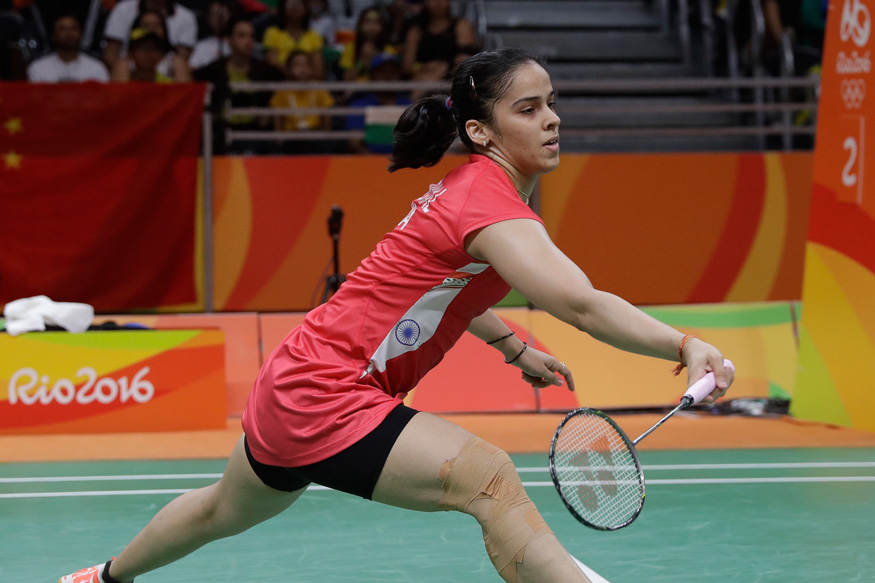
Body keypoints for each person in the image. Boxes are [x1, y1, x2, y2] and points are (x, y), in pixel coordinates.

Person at [59, 48, 734, 583]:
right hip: (329, 391)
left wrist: (512, 347)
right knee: (489, 478)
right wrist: (684, 344)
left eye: (552, 103)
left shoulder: (472, 191)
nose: (551, 119)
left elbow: (435, 287)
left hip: (297, 375)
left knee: (220, 509)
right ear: (480, 131)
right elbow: (581, 303)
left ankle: (102, 577)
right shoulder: (487, 204)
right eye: (528, 109)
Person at [194, 17, 285, 154]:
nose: (248, 41)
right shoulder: (216, 68)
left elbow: (284, 84)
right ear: (229, 40)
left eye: (251, 36)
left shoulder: (264, 69)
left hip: (255, 133)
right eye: (242, 36)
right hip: (222, 132)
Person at [102, 0, 197, 72]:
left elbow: (182, 59)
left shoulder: (173, 62)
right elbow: (110, 55)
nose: (151, 29)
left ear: (165, 31)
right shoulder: (123, 8)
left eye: (157, 25)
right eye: (146, 25)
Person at [270, 49, 335, 153]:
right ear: (289, 69)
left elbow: (327, 119)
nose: (302, 69)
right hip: (290, 139)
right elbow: (278, 121)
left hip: (315, 137)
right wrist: (280, 141)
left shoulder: (319, 89)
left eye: (306, 65)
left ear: (312, 68)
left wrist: (325, 138)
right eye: (297, 65)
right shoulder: (282, 90)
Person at [345, 51, 411, 154]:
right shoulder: (359, 106)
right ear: (372, 76)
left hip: (404, 161)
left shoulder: (410, 106)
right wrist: (376, 161)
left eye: (393, 71)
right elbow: (354, 144)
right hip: (369, 161)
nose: (388, 76)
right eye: (382, 71)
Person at [401, 0, 475, 83]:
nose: (438, 3)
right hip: (422, 77)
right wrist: (422, 68)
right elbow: (407, 67)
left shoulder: (461, 26)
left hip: (452, 79)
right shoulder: (416, 31)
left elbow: (466, 59)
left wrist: (446, 67)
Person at [110, 10, 191, 82]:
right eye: (146, 25)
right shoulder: (124, 63)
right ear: (131, 52)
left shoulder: (175, 63)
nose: (151, 30)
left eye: (152, 48)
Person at [27, 14, 109, 82]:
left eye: (74, 28)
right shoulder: (38, 67)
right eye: (62, 29)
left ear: (81, 34)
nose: (69, 34)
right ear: (53, 36)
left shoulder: (97, 67)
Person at [262, 0, 324, 78]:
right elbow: (272, 63)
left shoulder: (314, 35)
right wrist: (294, 74)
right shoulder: (272, 33)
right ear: (283, 8)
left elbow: (318, 68)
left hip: (309, 81)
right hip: (280, 80)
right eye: (290, 4)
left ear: (305, 8)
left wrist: (303, 75)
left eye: (298, 4)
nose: (294, 7)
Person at [338, 4, 396, 82]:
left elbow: (390, 80)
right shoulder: (350, 48)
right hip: (356, 88)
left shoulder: (389, 50)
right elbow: (347, 78)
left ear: (382, 26)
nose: (372, 26)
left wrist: (376, 57)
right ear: (360, 25)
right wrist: (363, 61)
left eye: (376, 22)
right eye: (367, 21)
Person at [188, 0, 234, 69]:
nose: (219, 18)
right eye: (214, 14)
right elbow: (192, 68)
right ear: (208, 18)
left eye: (222, 13)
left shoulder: (239, 41)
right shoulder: (201, 47)